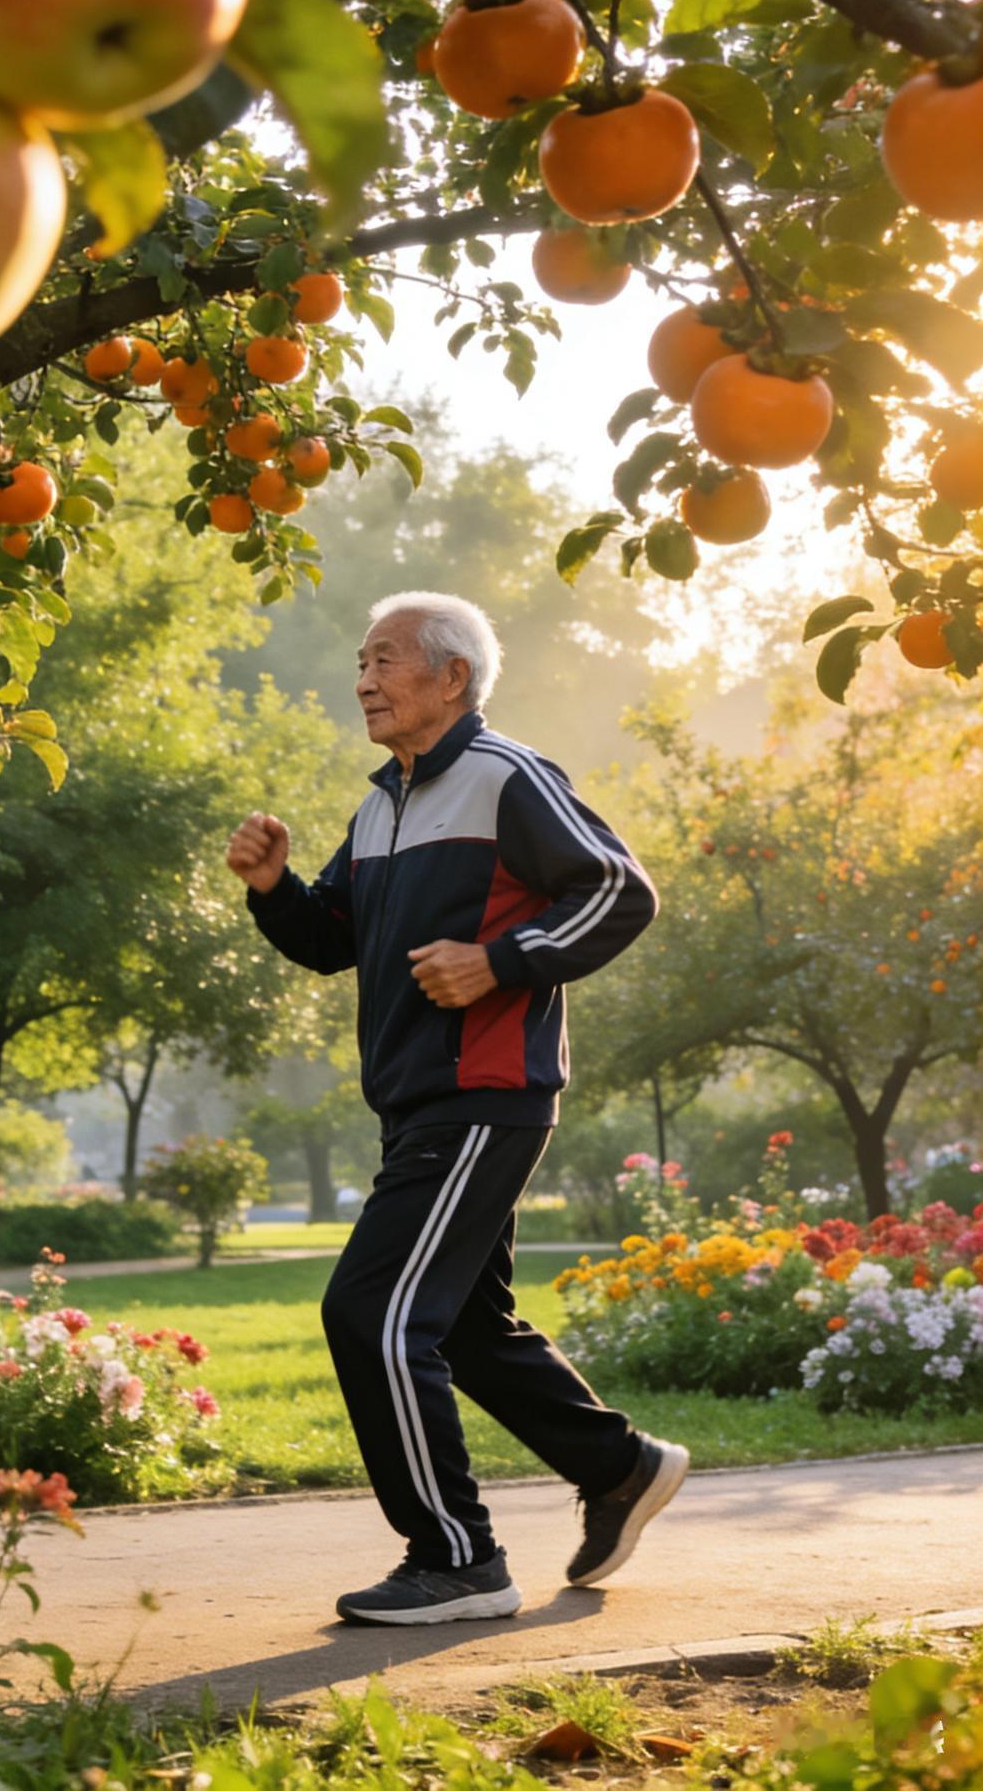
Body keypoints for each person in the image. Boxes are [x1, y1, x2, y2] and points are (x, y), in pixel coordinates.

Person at [226, 591, 687, 1628]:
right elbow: (330, 936)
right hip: (416, 1099)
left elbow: (620, 890)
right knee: (466, 1329)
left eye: (385, 659)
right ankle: (618, 1467)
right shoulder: (381, 802)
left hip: (484, 1095)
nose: (363, 679)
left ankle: (455, 1556)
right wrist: (271, 888)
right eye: (359, 659)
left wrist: (498, 963)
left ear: (450, 678)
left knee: (371, 1313)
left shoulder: (503, 777)